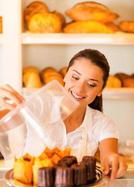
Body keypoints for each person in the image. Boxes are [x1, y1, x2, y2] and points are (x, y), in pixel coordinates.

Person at [0, 49, 127, 179]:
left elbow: (109, 156)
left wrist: (114, 161)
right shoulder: (40, 105)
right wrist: (8, 105)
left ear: (100, 90)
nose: (79, 88)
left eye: (91, 84)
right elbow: (5, 120)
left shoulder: (102, 123)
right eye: (75, 77)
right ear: (65, 76)